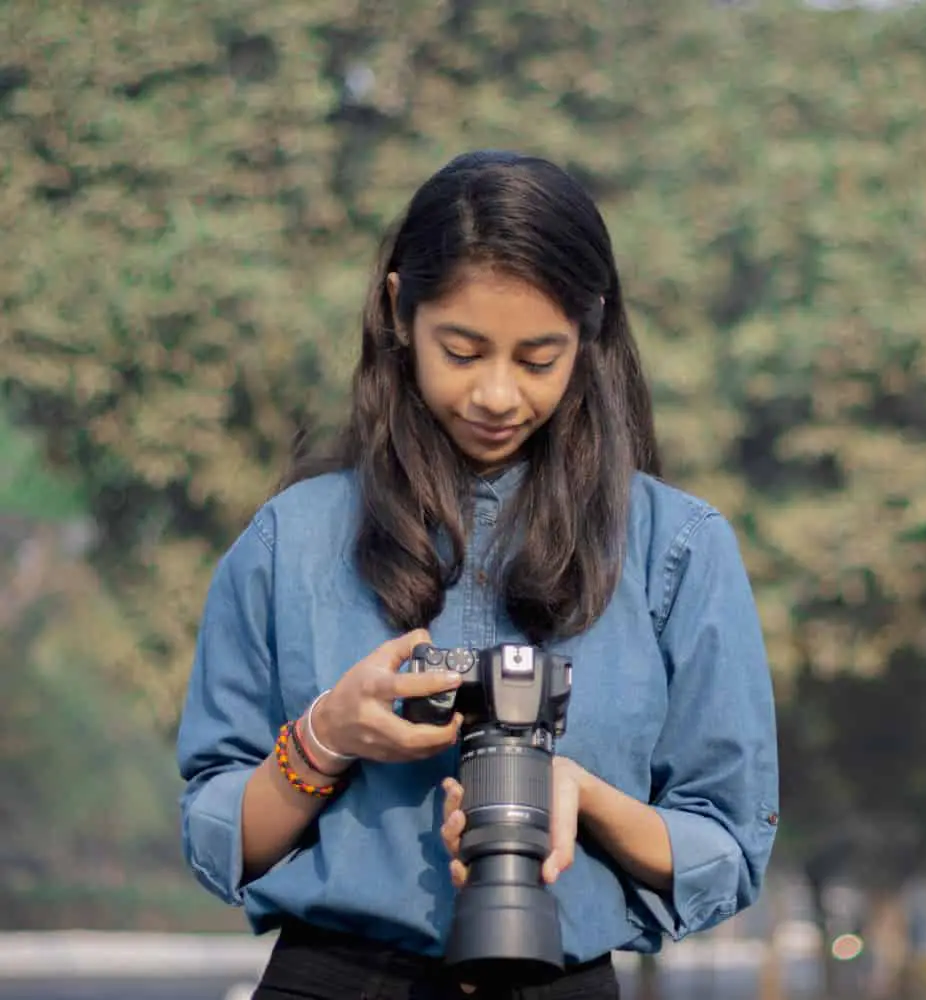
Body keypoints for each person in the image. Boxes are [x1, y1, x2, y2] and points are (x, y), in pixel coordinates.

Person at [175, 150, 781, 1000]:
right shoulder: (293, 541)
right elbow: (221, 842)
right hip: (338, 978)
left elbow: (728, 842)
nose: (496, 395)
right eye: (461, 351)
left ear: (591, 331)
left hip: (564, 977)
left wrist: (577, 793)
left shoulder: (676, 547)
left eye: (538, 359)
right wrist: (327, 736)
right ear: (399, 311)